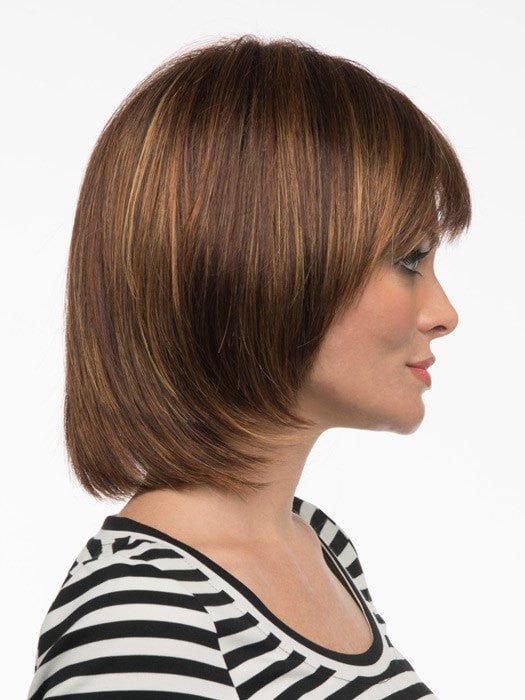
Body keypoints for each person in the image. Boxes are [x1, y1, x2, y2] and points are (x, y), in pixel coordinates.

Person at [27, 34, 471, 699]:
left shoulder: (320, 546)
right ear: (260, 265)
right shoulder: (145, 615)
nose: (443, 313)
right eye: (408, 259)